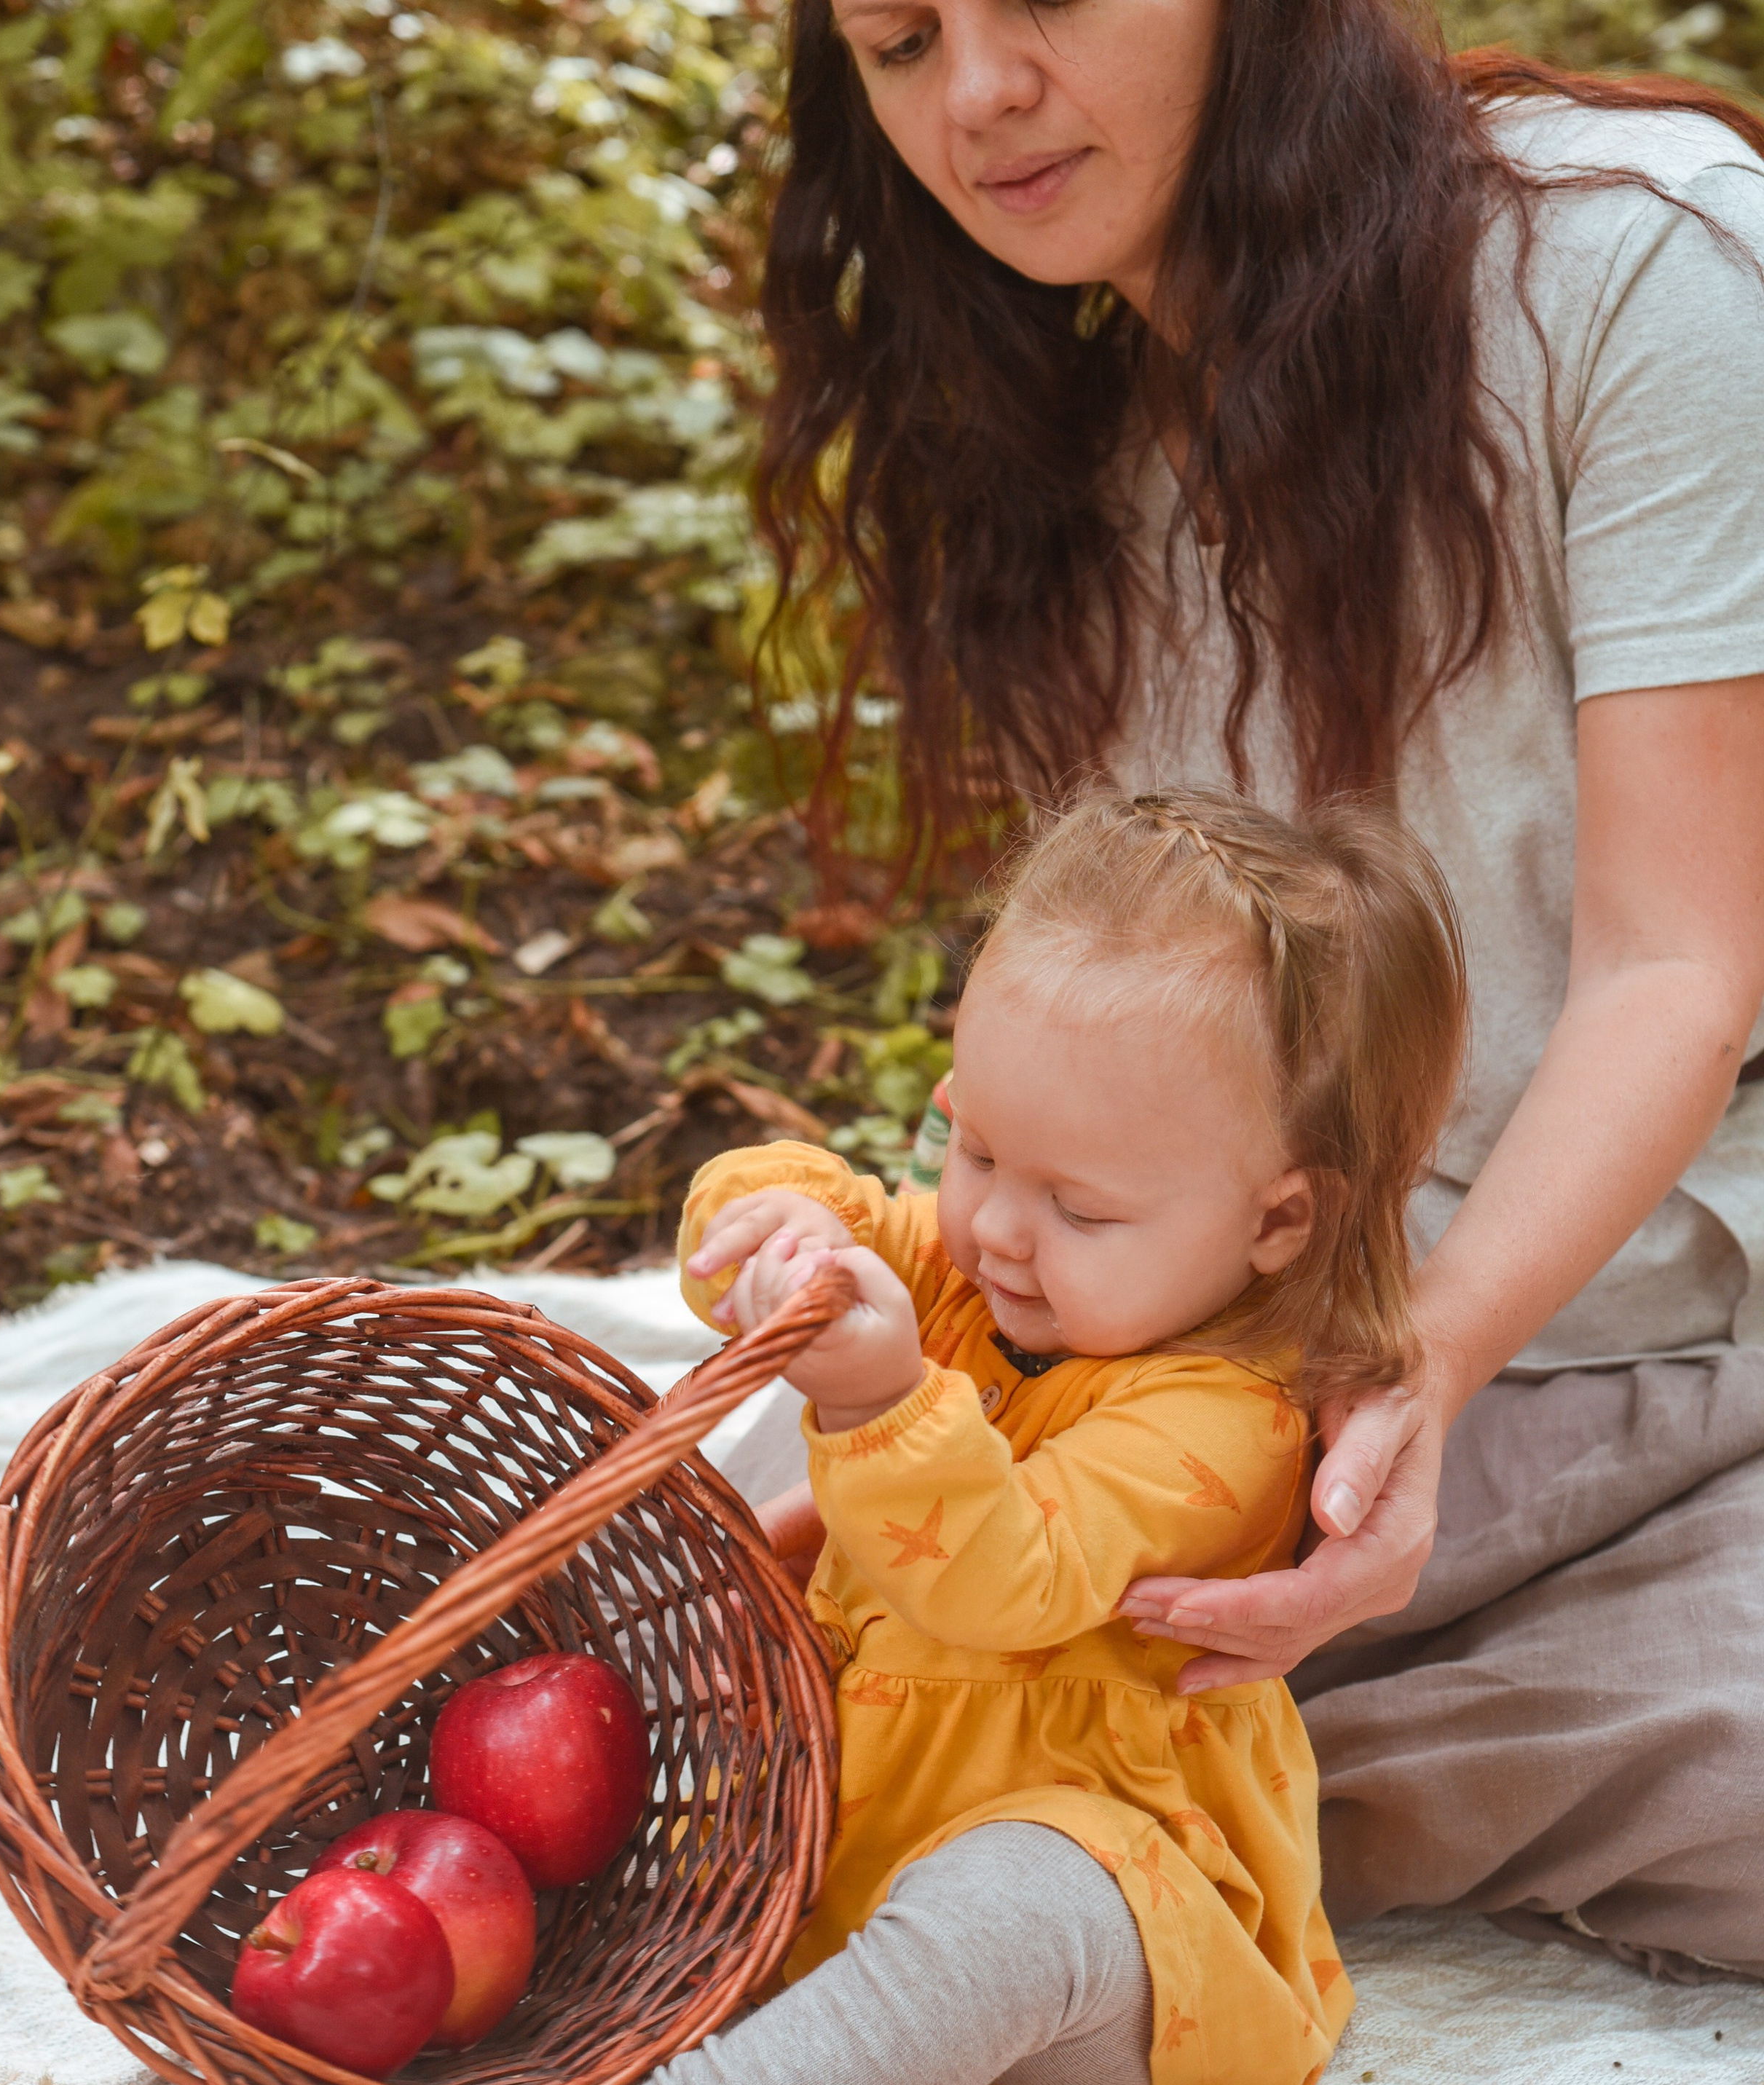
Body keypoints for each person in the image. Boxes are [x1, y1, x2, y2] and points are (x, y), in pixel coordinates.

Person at [752, 1, 1764, 1979]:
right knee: (770, 1581)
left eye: (1039, 0)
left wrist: (1420, 1361)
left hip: (1611, 1284)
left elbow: (1680, 966)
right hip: (1240, 1325)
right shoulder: (1066, 452)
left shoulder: (1643, 267)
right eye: (896, 42)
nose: (975, 98)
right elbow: (1131, 1058)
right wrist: (953, 1375)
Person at [476, 785, 1465, 2085]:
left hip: (1118, 1910)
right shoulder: (987, 1263)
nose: (996, 1227)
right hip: (859, 1840)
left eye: (1076, 1201)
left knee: (1006, 1911)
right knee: (702, 1738)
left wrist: (876, 1398)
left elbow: (1005, 1574)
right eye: (973, 1142)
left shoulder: (1227, 1422)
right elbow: (822, 1193)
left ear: (1276, 1222)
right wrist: (780, 1226)